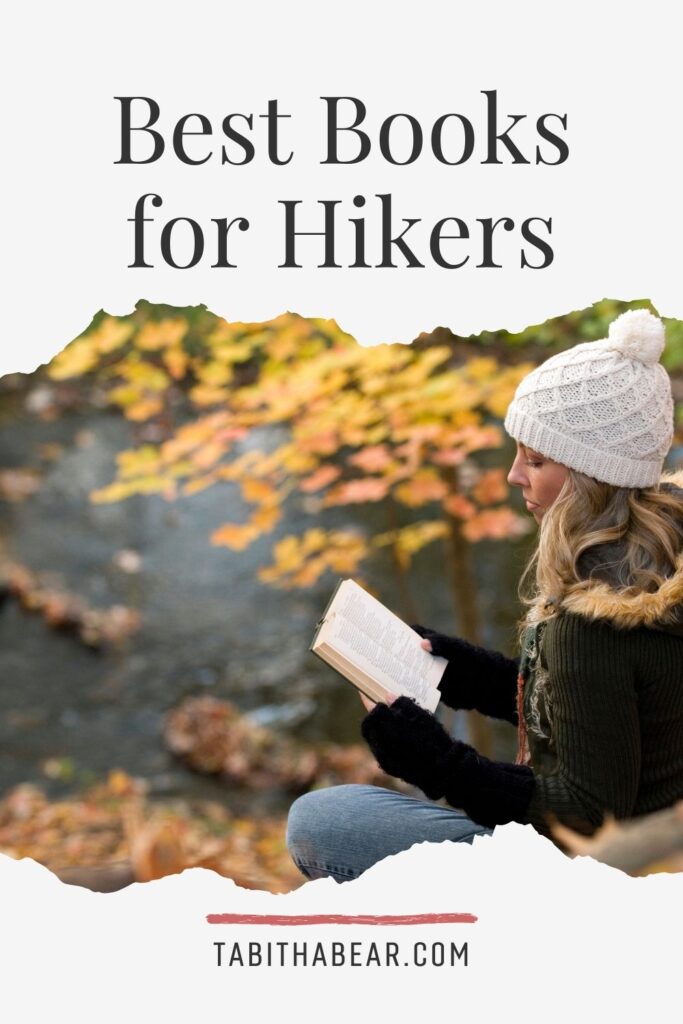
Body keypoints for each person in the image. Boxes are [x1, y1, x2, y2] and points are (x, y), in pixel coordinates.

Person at [286, 308, 683, 883]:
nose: (513, 476)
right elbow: (601, 716)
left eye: (537, 460)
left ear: (591, 476)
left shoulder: (593, 625)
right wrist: (465, 674)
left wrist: (438, 763)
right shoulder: (653, 557)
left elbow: (585, 819)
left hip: (604, 872)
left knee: (321, 823)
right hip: (653, 835)